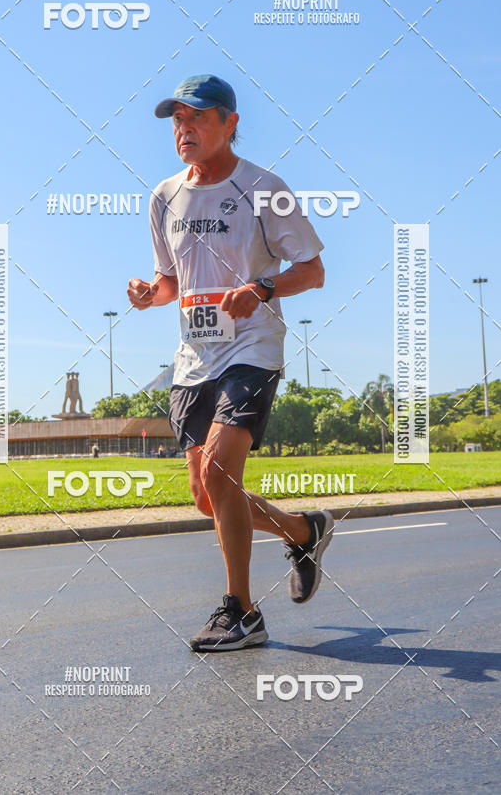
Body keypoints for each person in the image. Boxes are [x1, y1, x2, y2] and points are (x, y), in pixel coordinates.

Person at [127, 74, 333, 652]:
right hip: (195, 359)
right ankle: (303, 530)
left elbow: (313, 271)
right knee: (205, 494)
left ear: (231, 123)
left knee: (220, 473)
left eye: (197, 118)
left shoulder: (265, 188)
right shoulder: (164, 196)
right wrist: (150, 293)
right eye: (177, 122)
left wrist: (263, 288)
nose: (184, 130)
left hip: (252, 349)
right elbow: (172, 280)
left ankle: (241, 612)